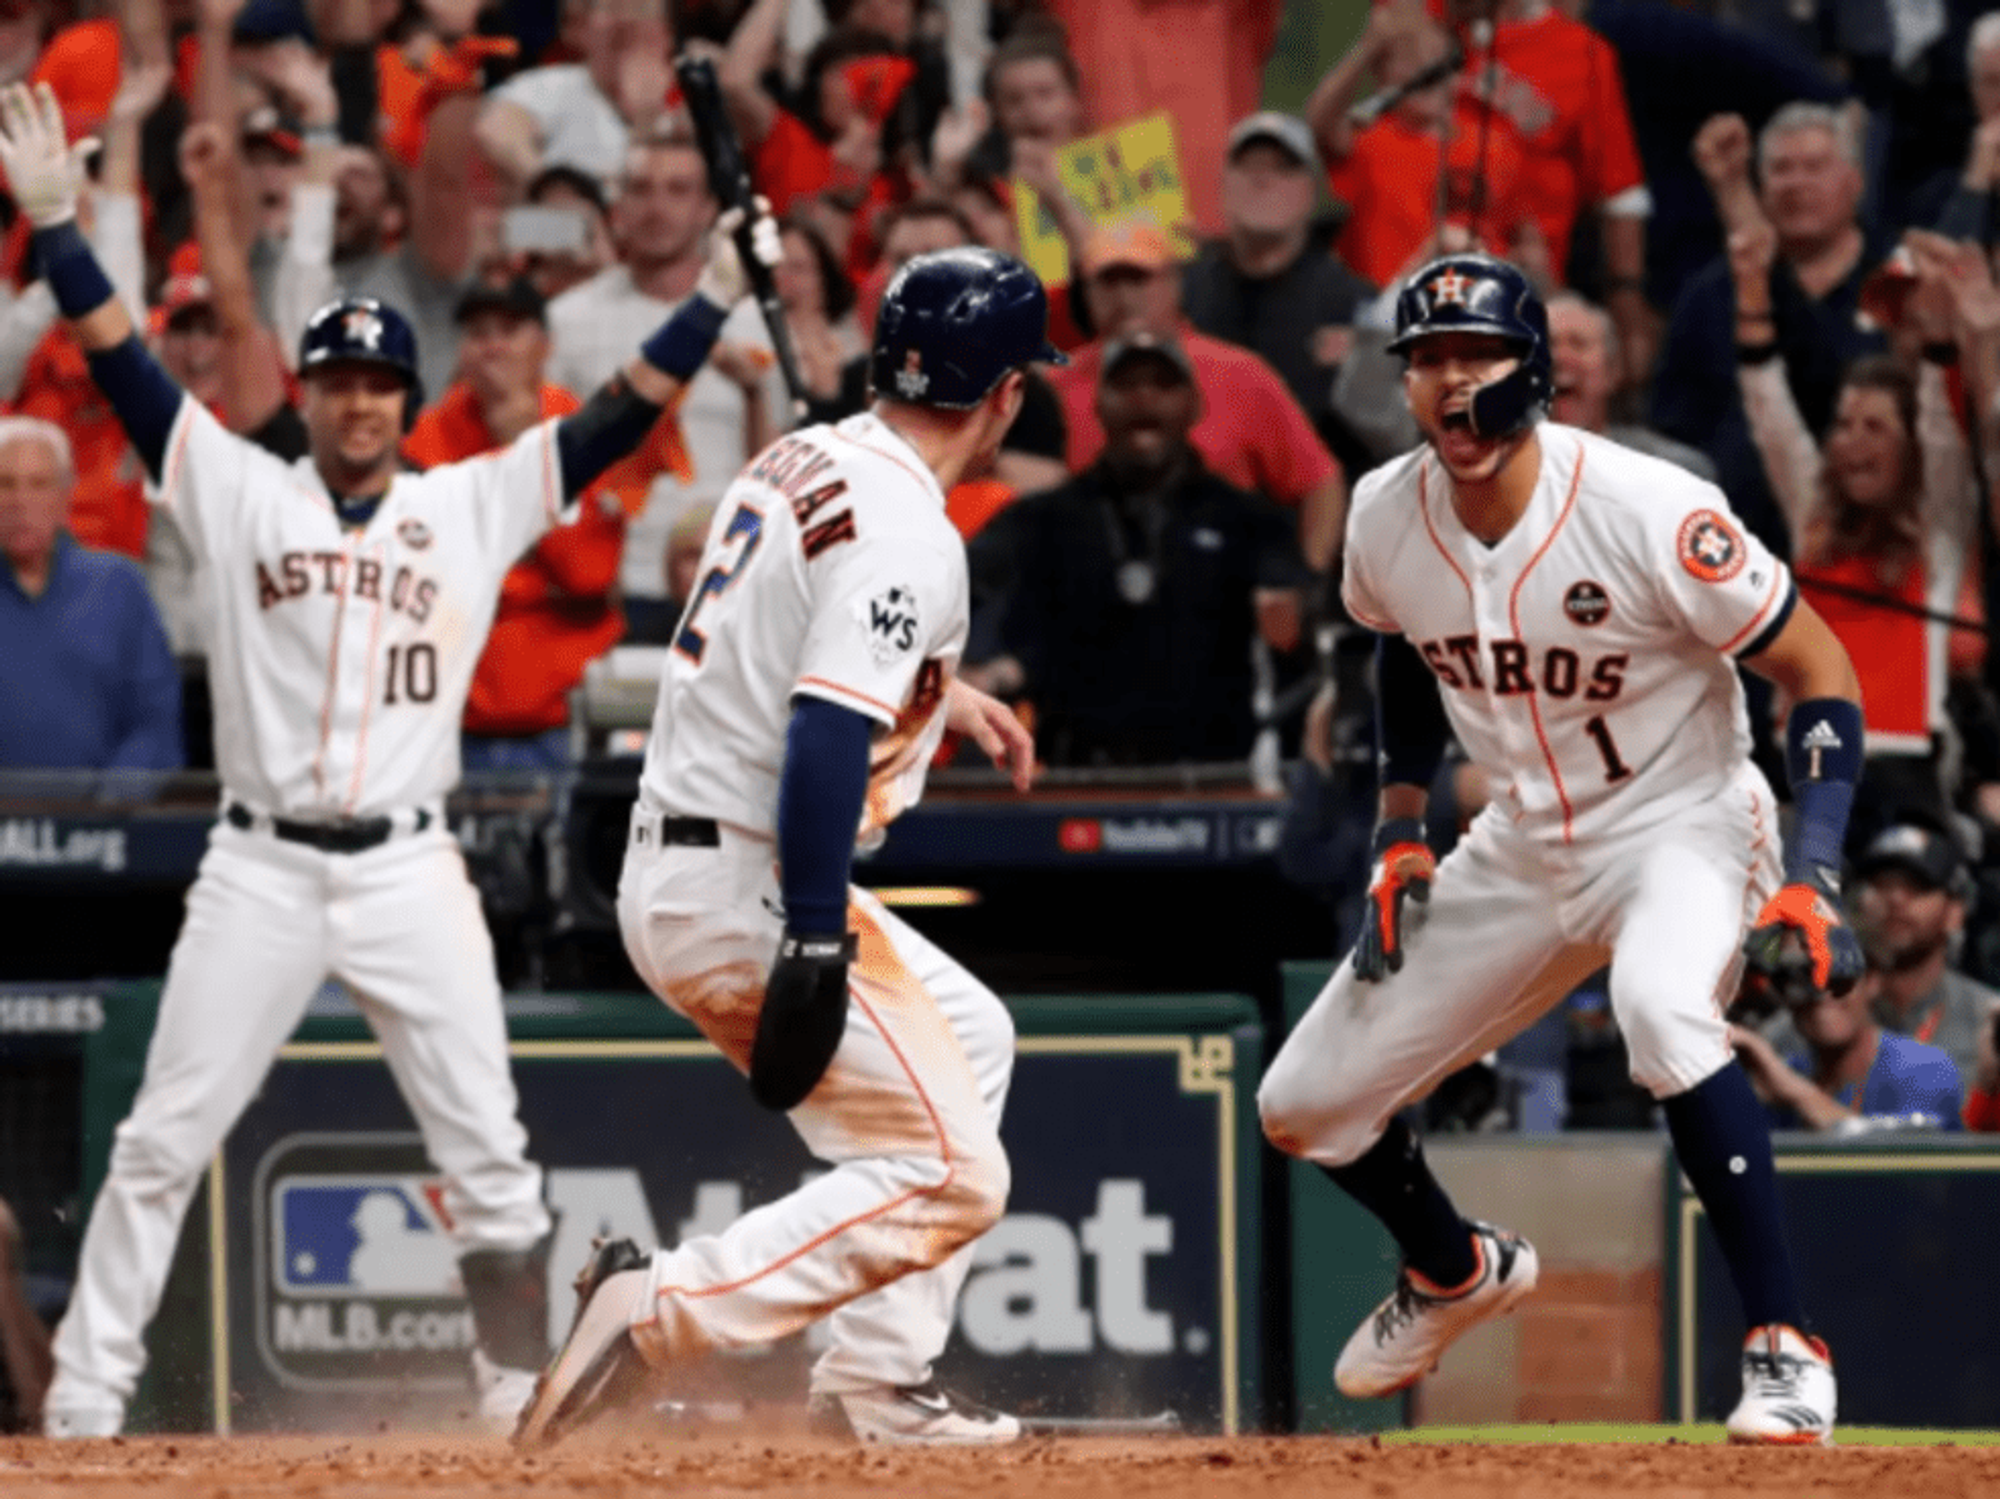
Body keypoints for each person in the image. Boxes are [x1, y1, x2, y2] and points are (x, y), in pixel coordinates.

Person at [0, 78, 777, 1438]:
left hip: (412, 861)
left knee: (488, 1156)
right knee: (160, 1137)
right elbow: (124, 366)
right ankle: (83, 1405)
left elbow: (612, 418)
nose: (359, 402)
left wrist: (711, 299)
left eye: (378, 383)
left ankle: (502, 1399)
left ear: (407, 401)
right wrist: (62, 228)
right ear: (305, 394)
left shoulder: (464, 502)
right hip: (258, 861)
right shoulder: (239, 482)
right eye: (338, 381)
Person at [1257, 252, 1865, 1445]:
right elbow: (1401, 646)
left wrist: (1816, 869)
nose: (1446, 383)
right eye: (1424, 360)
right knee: (1300, 1102)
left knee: (1656, 1008)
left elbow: (1819, 670)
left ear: (1528, 368)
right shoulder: (1385, 510)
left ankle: (1785, 1348)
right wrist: (1395, 825)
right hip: (1525, 831)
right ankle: (1451, 1268)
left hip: (1678, 816)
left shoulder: (1645, 509)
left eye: (1472, 356)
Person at [511, 246, 1053, 1451]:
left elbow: (795, 628)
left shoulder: (798, 451)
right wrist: (812, 924)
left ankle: (876, 1380)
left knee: (973, 1033)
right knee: (961, 1176)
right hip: (751, 879)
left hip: (691, 854)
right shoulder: (913, 525)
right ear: (1007, 393)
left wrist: (938, 691)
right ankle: (654, 1311)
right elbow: (821, 727)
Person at [970, 330, 1310, 767]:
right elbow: (959, 586)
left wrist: (1292, 612)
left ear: (1193, 406)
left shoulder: (1246, 522)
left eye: (1163, 385)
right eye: (1126, 385)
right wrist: (983, 665)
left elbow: (1298, 626)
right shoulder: (1046, 519)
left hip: (1214, 781)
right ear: (1097, 405)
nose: (1144, 397)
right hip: (1077, 778)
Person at [0, 416, 183, 773]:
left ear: (65, 494)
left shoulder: (120, 587)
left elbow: (156, 725)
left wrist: (103, 811)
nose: (20, 501)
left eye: (38, 484)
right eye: (5, 484)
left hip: (100, 822)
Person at [1731, 964, 1963, 1132]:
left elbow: (1910, 1176)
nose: (1821, 994)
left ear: (1871, 981)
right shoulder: (1783, 1074)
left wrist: (1800, 1095)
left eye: (1838, 976)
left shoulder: (1923, 1069)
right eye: (1801, 978)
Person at [1545, 291, 1714, 479]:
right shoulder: (1507, 475)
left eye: (1578, 344)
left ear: (1612, 371)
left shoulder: (1671, 471)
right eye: (1546, 345)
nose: (1558, 357)